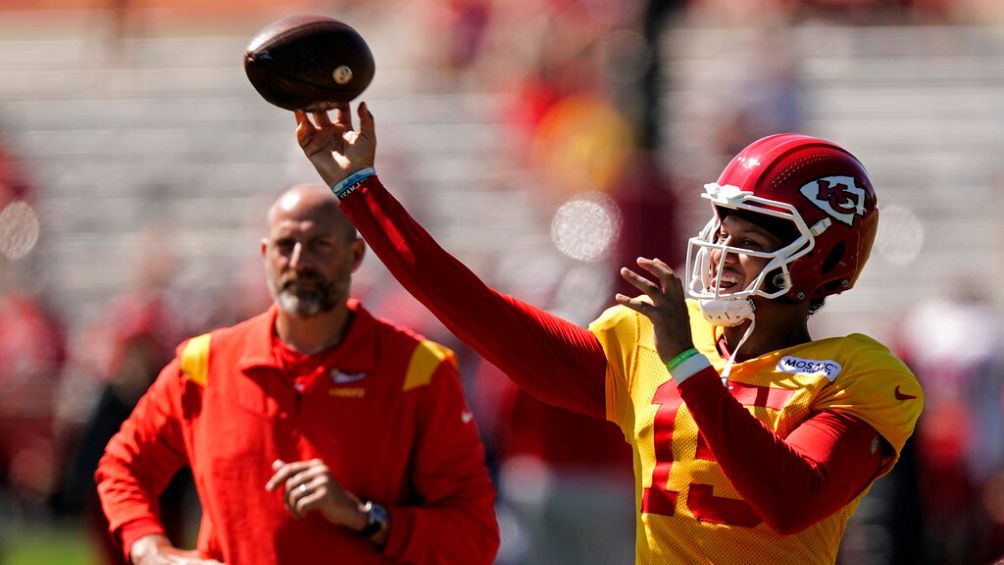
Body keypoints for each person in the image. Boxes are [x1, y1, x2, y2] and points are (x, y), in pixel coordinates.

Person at [293, 103, 924, 564]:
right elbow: (482, 314)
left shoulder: (865, 373)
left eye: (751, 241)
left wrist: (686, 362)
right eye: (723, 230)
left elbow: (789, 502)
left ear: (824, 259)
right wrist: (361, 193)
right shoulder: (648, 342)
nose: (723, 252)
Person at [95, 184, 499, 564]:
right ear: (265, 253)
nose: (300, 261)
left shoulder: (419, 371)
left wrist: (363, 516)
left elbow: (475, 537)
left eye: (320, 245)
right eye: (286, 245)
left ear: (356, 255)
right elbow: (121, 466)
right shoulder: (205, 362)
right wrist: (149, 548)